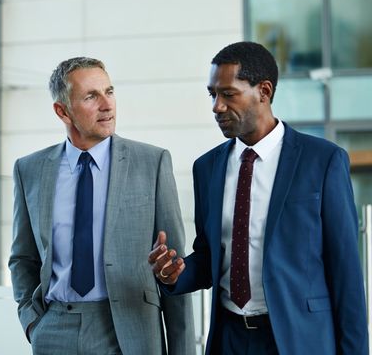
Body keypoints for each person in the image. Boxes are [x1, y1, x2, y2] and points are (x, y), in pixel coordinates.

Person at [149, 42, 368, 354]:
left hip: (298, 340)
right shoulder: (207, 168)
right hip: (229, 340)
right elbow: (211, 255)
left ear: (264, 91)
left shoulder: (323, 161)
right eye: (212, 94)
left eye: (228, 94)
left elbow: (346, 274)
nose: (216, 106)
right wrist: (175, 273)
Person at [9, 57, 196, 355]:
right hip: (55, 329)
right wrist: (32, 322)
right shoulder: (29, 170)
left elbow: (175, 266)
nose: (107, 105)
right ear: (63, 111)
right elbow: (22, 258)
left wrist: (183, 350)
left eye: (109, 92)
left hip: (131, 330)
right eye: (91, 96)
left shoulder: (152, 163)